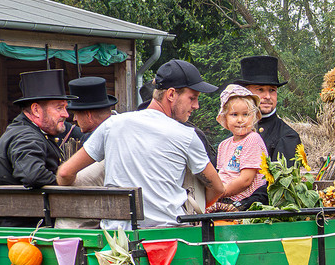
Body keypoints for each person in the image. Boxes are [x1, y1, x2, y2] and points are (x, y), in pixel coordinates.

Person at [56, 59, 225, 228]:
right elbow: (217, 188)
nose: (196, 106)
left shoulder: (112, 125)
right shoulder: (187, 136)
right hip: (168, 237)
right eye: (192, 98)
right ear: (171, 94)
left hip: (118, 239)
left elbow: (64, 173)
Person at [233, 56, 299, 207]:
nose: (267, 96)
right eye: (260, 90)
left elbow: (279, 184)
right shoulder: (234, 131)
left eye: (272, 90)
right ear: (246, 92)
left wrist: (243, 205)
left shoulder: (288, 136)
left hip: (263, 215)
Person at [0, 69, 70, 188]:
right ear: (36, 110)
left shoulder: (26, 131)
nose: (66, 114)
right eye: (59, 108)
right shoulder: (26, 135)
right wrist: (64, 183)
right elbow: (32, 175)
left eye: (65, 108)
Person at [212, 84, 268, 207]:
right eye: (234, 115)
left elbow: (246, 180)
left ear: (253, 117)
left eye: (245, 114)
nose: (240, 120)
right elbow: (223, 174)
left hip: (243, 203)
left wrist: (219, 193)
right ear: (225, 118)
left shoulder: (252, 139)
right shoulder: (224, 145)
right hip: (223, 198)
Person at [61, 76, 117, 157]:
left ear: (88, 115)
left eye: (76, 114)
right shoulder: (88, 137)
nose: (74, 119)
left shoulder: (116, 135)